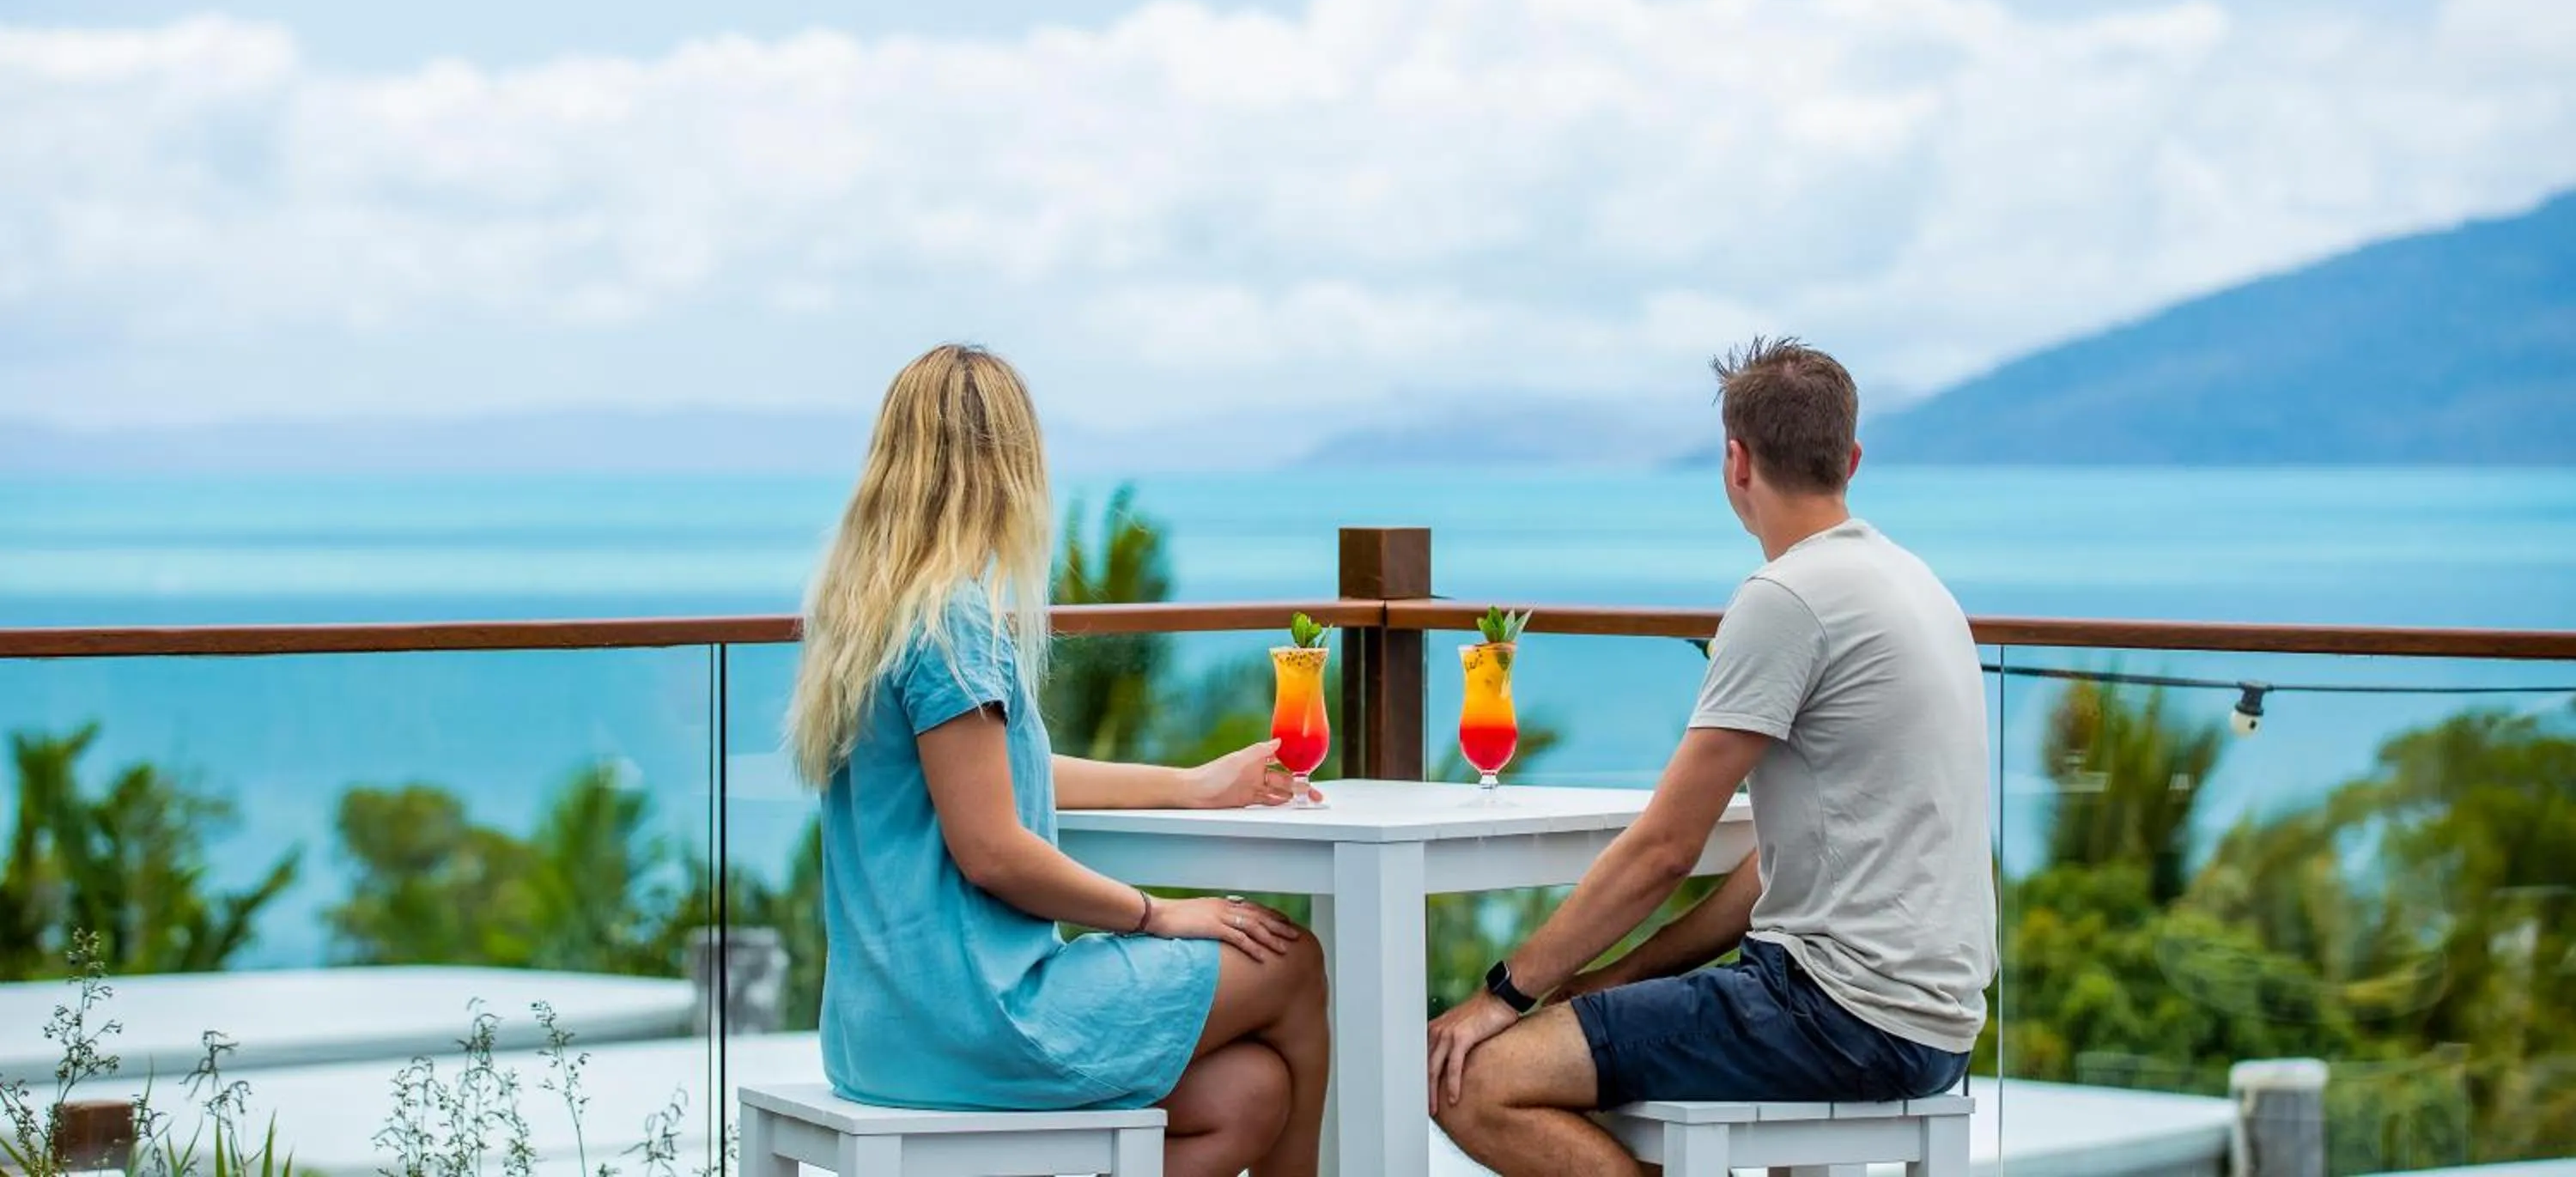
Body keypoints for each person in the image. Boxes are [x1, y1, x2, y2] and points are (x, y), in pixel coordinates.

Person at [1426, 337, 1996, 1175]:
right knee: (1577, 1050)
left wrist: (1502, 993)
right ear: (1852, 458)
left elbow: (1663, 851)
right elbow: (1776, 866)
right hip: (1933, 1022)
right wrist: (1618, 973)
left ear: (1735, 461)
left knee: (1466, 1077)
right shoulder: (1916, 583)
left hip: (1834, 1013)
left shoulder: (1787, 598)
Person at [787, 343, 1329, 1177]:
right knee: (1290, 958)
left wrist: (1191, 786)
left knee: (1246, 1094)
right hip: (980, 1019)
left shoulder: (868, 616)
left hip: (878, 1033)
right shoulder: (953, 623)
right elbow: (993, 847)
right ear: (1008, 466)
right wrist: (1159, 912)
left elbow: (992, 776)